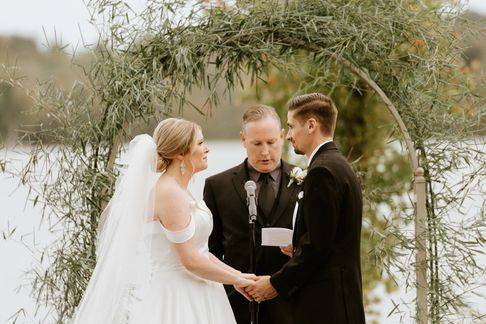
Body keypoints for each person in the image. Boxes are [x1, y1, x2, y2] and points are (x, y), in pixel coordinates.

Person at [72, 118, 255, 324]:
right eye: (200, 143)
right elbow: (190, 260)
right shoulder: (169, 193)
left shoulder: (180, 189)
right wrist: (235, 280)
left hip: (203, 290)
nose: (207, 149)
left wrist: (238, 276)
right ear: (180, 153)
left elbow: (200, 251)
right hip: (179, 297)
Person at [246, 93, 366, 323]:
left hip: (327, 305)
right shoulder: (338, 164)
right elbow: (331, 237)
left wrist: (275, 283)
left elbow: (317, 248)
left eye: (291, 126)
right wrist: (299, 245)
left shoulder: (322, 172)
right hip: (341, 299)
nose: (289, 135)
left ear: (311, 125)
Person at [204, 105, 299, 324]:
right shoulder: (217, 186)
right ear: (243, 139)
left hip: (292, 305)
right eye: (257, 143)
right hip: (236, 306)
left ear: (282, 137)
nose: (265, 152)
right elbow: (212, 252)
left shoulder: (307, 181)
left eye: (271, 142)